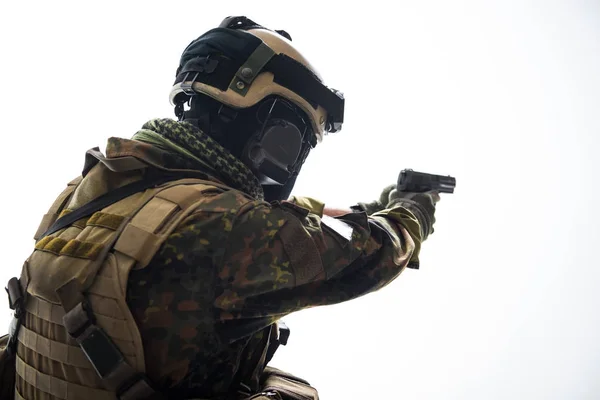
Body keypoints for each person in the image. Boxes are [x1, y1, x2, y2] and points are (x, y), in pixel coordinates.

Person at [1, 16, 440, 400]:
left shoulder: (97, 188)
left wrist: (368, 206)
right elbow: (375, 254)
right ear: (272, 131)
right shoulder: (227, 227)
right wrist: (412, 207)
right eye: (295, 142)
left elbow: (282, 218)